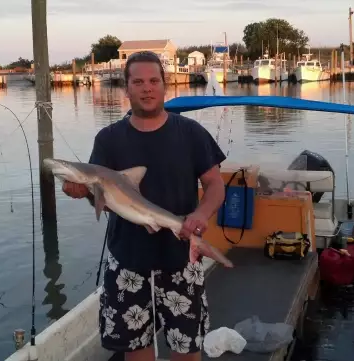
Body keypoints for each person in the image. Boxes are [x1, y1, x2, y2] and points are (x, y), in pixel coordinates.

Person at [62, 51, 226, 361]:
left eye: (153, 81)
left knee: (186, 349)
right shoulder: (108, 139)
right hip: (128, 262)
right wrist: (83, 192)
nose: (146, 88)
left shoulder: (191, 134)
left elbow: (215, 184)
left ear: (166, 86)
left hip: (181, 260)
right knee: (135, 351)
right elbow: (105, 199)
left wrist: (201, 214)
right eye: (137, 81)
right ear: (126, 88)